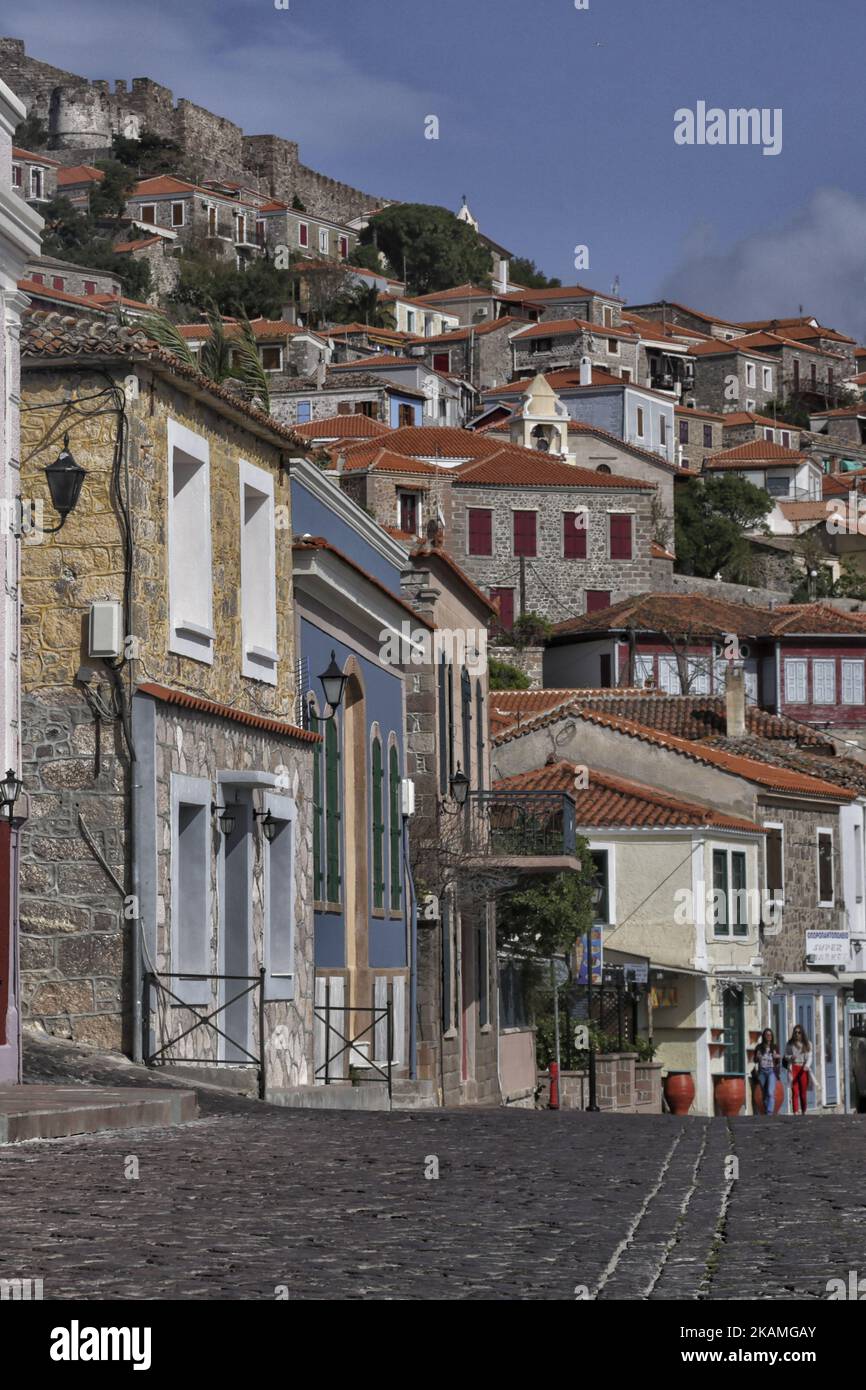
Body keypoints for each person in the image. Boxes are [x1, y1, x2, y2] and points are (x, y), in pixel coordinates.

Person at [785, 1024, 814, 1114]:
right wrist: (790, 1057)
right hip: (793, 1067)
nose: (797, 1034)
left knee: (803, 1092)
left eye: (799, 1032)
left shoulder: (808, 1044)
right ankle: (795, 1111)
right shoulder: (790, 1044)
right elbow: (785, 1055)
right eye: (795, 1032)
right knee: (795, 1091)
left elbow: (810, 1057)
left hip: (803, 1069)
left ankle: (804, 1110)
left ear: (802, 1033)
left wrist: (807, 1066)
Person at [753, 1028, 781, 1115]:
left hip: (771, 1071)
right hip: (762, 1071)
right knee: (764, 1094)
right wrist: (757, 1057)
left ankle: (769, 1113)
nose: (769, 1036)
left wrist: (777, 1057)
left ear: (772, 1036)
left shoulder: (775, 1047)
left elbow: (778, 1059)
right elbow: (755, 1060)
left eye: (770, 1035)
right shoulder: (759, 1047)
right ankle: (766, 1110)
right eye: (767, 1035)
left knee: (770, 1092)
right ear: (764, 1036)